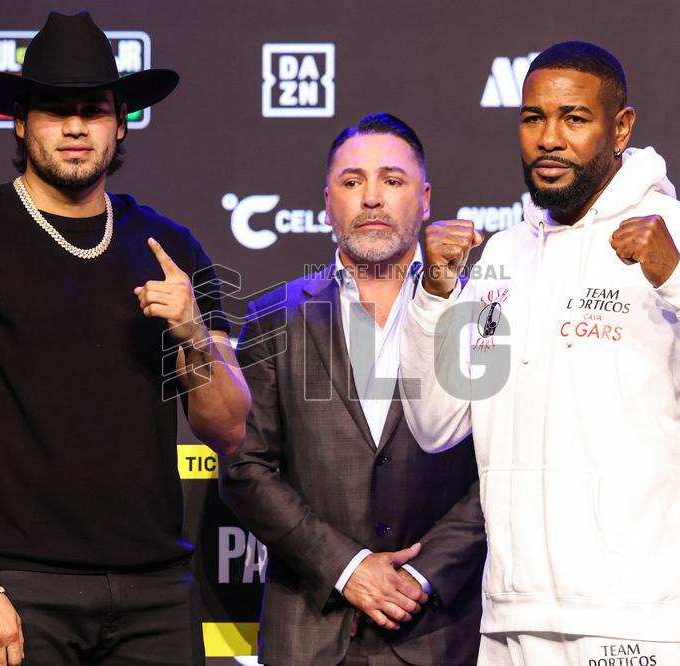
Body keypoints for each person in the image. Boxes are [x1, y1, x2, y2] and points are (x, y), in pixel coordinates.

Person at [399, 41, 680, 666]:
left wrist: (679, 281)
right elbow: (437, 424)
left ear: (621, 127)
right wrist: (431, 298)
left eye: (574, 118)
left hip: (640, 620)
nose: (549, 138)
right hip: (512, 618)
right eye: (533, 118)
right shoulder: (503, 257)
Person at [0, 12, 250, 666]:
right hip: (14, 587)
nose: (77, 126)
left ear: (121, 124)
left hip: (156, 592)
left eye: (94, 108)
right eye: (56, 109)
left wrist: (194, 337)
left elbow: (227, 429)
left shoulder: (172, 246)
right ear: (21, 122)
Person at [218, 114, 486, 665]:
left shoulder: (478, 314)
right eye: (351, 181)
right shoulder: (275, 316)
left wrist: (421, 575)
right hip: (310, 634)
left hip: (439, 634)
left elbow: (501, 470)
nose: (370, 198)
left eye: (392, 180)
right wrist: (347, 567)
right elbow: (245, 468)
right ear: (326, 202)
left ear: (425, 198)